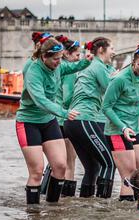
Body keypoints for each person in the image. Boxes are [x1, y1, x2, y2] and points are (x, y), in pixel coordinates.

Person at [15, 37, 92, 205]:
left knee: (60, 166)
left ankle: (52, 208)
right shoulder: (33, 70)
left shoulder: (58, 66)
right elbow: (40, 100)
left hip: (48, 121)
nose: (59, 62)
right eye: (56, 59)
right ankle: (33, 213)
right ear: (44, 57)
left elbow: (72, 67)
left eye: (60, 58)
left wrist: (86, 62)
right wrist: (64, 112)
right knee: (36, 171)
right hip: (28, 122)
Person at [102, 43, 139, 201]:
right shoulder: (119, 79)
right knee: (129, 175)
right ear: (133, 62)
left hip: (134, 128)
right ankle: (125, 219)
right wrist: (123, 127)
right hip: (117, 131)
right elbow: (105, 107)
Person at [64, 37, 117, 198]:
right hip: (83, 119)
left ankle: (86, 205)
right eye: (112, 48)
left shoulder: (97, 66)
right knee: (110, 163)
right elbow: (112, 91)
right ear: (101, 50)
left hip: (73, 122)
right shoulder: (98, 66)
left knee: (93, 167)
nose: (114, 52)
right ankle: (103, 207)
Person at [53, 34, 84, 197]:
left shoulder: (57, 67)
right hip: (66, 119)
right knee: (70, 163)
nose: (79, 59)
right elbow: (67, 97)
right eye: (77, 55)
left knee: (56, 163)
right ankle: (67, 198)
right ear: (67, 53)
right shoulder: (70, 71)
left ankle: (53, 195)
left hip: (54, 118)